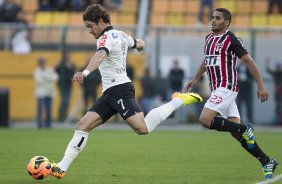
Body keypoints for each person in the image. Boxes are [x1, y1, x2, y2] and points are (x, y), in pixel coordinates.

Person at [49, 4, 202, 179]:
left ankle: (178, 100)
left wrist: (83, 72)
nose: (89, 31)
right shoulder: (121, 35)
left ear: (100, 21)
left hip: (120, 90)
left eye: (90, 26)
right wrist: (139, 45)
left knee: (142, 129)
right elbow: (139, 43)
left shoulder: (105, 38)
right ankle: (61, 167)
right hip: (109, 93)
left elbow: (100, 55)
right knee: (82, 126)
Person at [182, 8, 278, 180]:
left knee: (205, 119)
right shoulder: (209, 38)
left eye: (217, 18)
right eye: (212, 17)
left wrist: (261, 86)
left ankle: (245, 127)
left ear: (226, 22)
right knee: (236, 133)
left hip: (227, 87)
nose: (213, 20)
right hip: (217, 89)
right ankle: (266, 161)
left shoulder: (232, 39)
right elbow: (207, 60)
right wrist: (195, 78)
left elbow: (249, 61)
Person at [34, 57, 58, 128]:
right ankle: (39, 124)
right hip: (41, 93)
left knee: (49, 109)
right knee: (40, 110)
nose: (42, 64)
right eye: (41, 62)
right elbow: (39, 81)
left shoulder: (50, 70)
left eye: (43, 62)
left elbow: (56, 77)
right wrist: (49, 78)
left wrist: (46, 77)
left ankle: (48, 124)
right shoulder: (37, 71)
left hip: (49, 93)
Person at [55, 52, 77, 121]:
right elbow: (55, 70)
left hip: (68, 85)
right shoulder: (61, 64)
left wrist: (70, 67)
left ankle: (64, 115)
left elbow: (74, 72)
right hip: (61, 85)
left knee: (66, 101)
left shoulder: (71, 64)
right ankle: (61, 116)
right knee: (64, 101)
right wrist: (59, 65)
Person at [265, 59, 282, 125]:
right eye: (277, 66)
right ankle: (278, 121)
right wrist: (267, 62)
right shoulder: (275, 73)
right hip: (277, 94)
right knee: (277, 107)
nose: (278, 67)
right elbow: (268, 70)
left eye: (279, 66)